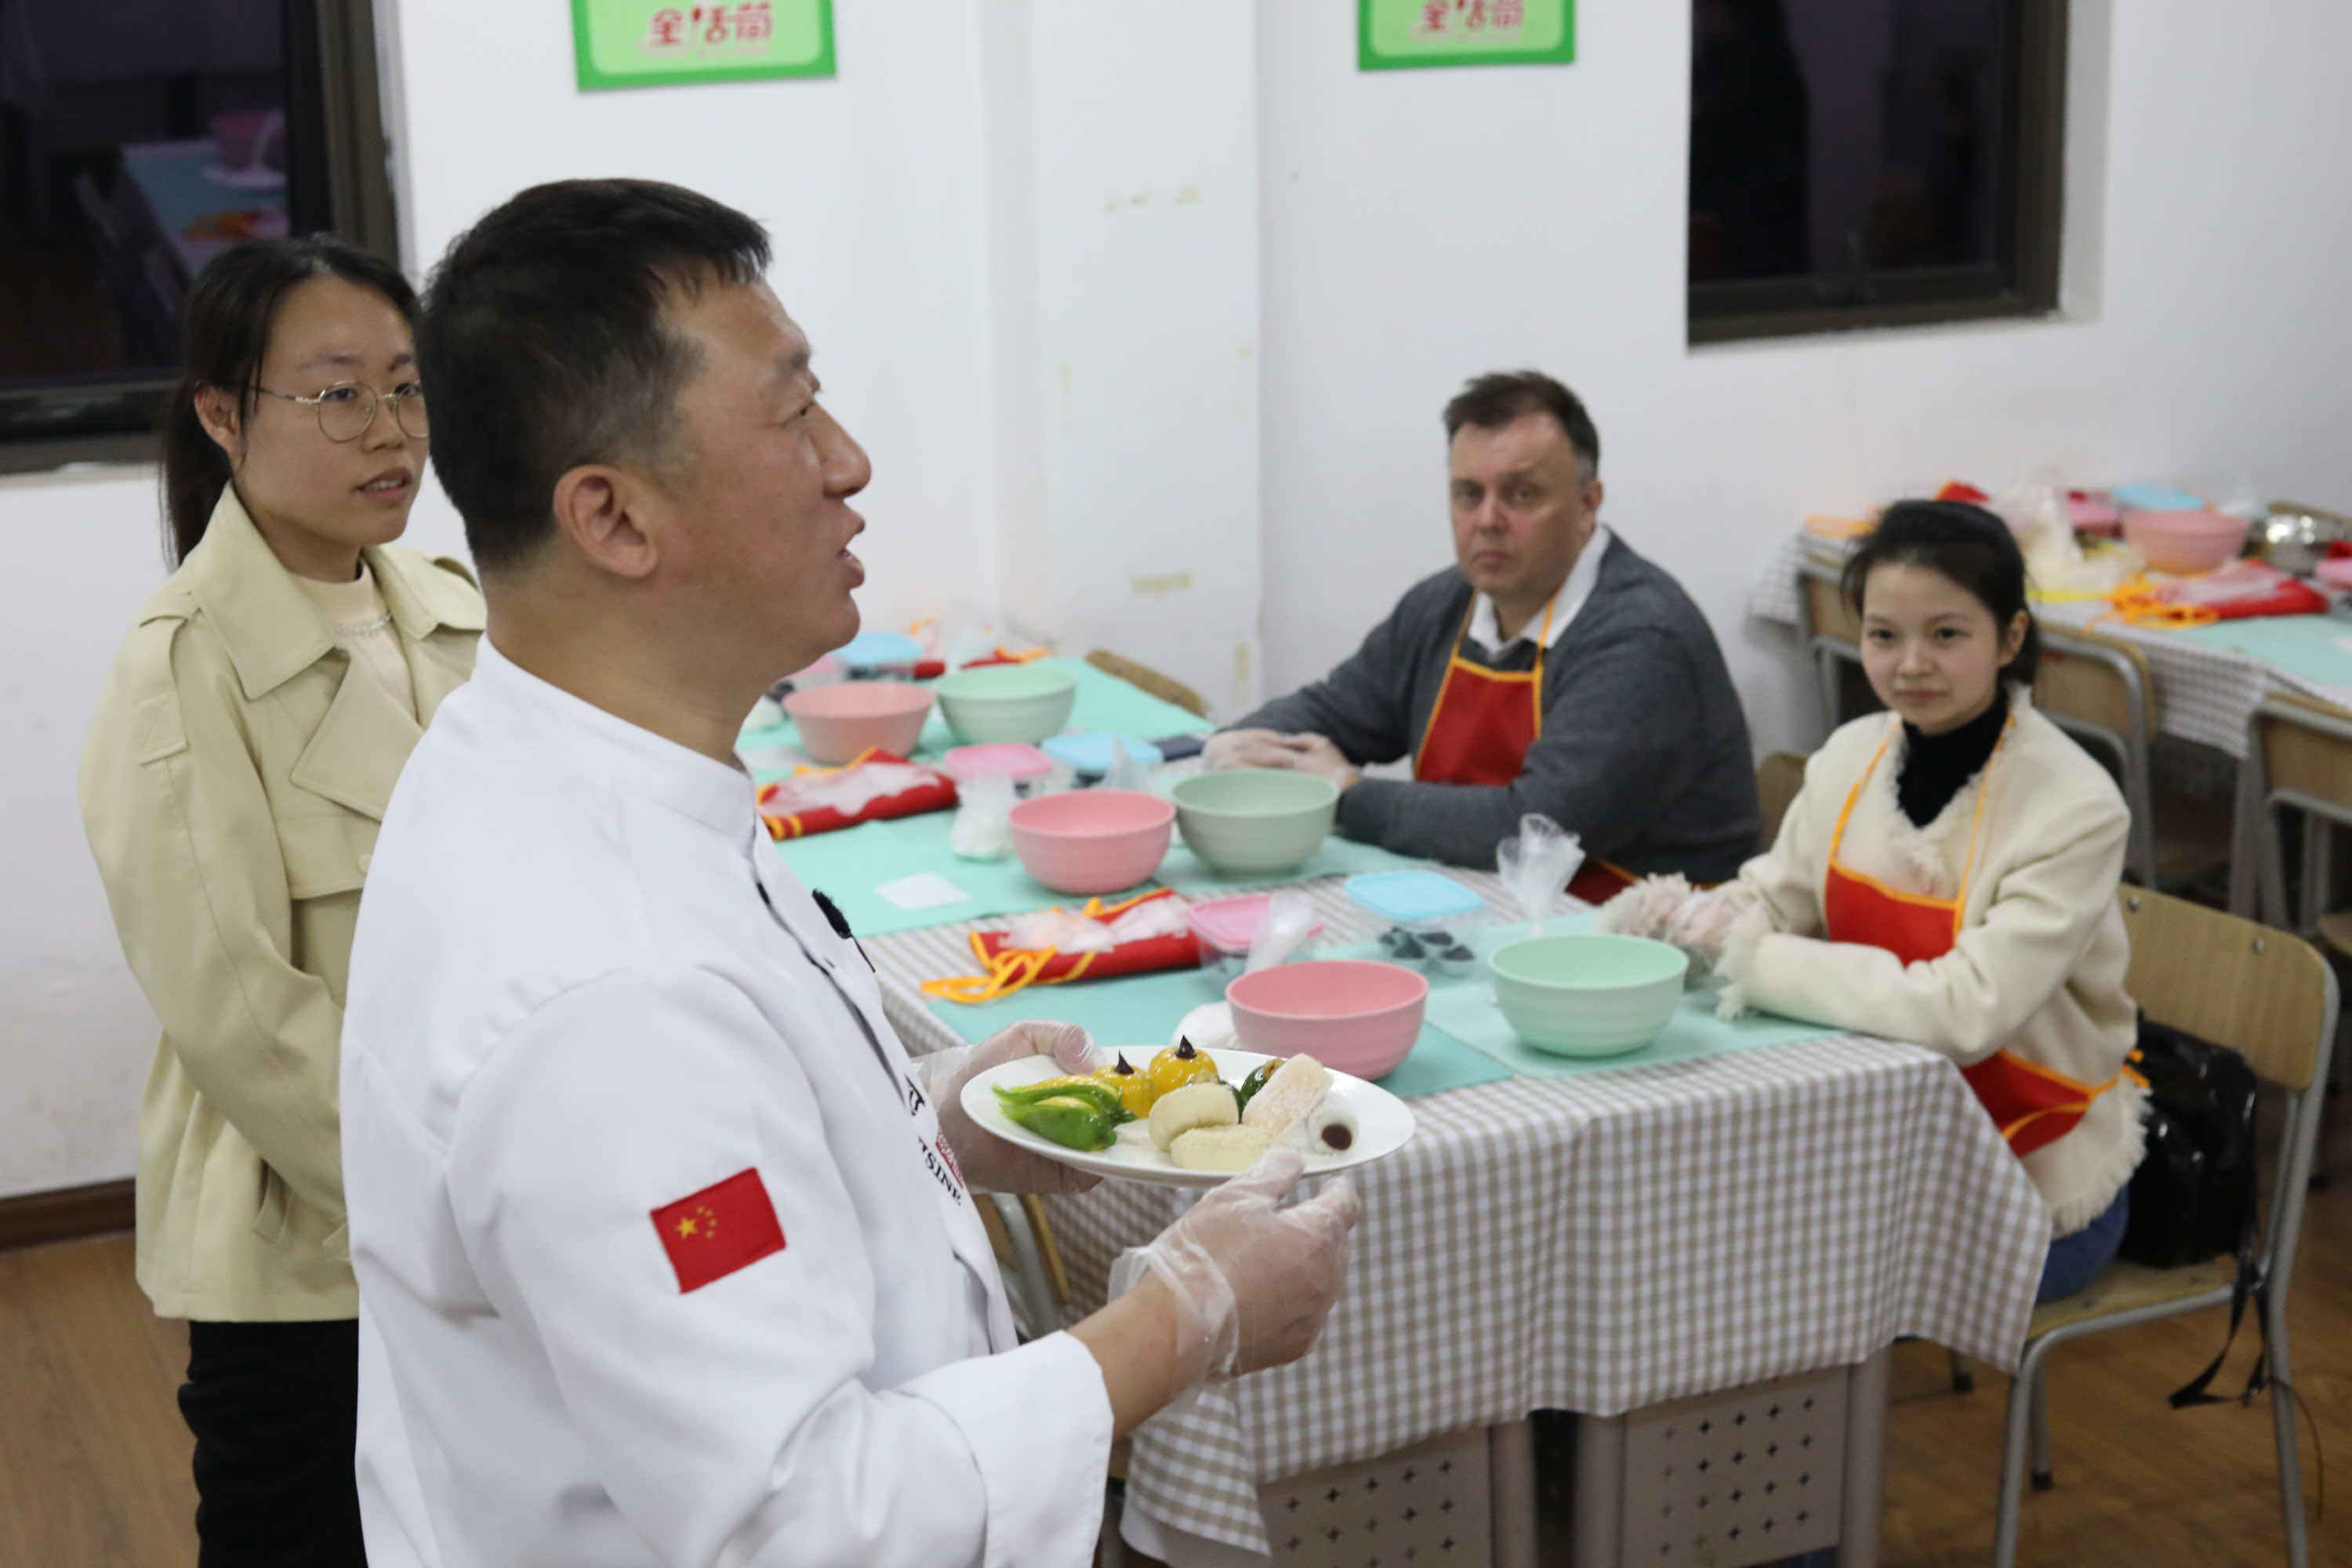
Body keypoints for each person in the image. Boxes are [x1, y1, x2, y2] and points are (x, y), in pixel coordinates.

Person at [338, 178, 1359, 1567]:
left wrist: (927, 1122)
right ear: (615, 519)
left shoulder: (565, 765)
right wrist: (1184, 1320)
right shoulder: (607, 988)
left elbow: (717, 1154)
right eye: (794, 414)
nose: (851, 462)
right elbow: (807, 1523)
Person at [78, 234, 480, 1564]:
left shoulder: (452, 610)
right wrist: (449, 1211)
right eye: (338, 393)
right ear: (221, 413)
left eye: (407, 387)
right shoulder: (181, 667)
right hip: (319, 1245)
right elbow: (243, 1015)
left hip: (488, 1194)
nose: (391, 431)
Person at [1604, 499, 2144, 1300]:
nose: (1911, 664)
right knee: (1679, 1232)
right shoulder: (1852, 754)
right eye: (1884, 635)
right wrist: (1687, 921)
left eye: (1947, 634)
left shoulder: (2074, 805)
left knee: (1772, 1276)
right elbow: (1777, 896)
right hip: (1877, 1125)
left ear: (2011, 639)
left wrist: (1750, 954)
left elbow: (1966, 1011)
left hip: (2028, 1166)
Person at [1208, 371, 1759, 900]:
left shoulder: (1643, 639)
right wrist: (1243, 744)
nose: (1488, 520)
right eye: (1469, 495)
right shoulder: (1444, 605)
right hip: (1489, 902)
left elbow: (1534, 829)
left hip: (1644, 934)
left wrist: (1346, 794)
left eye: (1522, 495)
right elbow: (1337, 709)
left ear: (1587, 506)